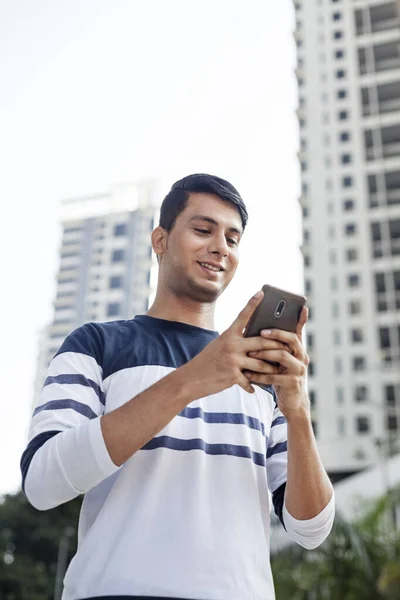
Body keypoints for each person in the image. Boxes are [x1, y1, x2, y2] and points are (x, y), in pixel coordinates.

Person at [21, 173, 334, 600]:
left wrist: (297, 411)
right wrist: (190, 380)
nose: (221, 246)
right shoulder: (96, 344)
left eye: (233, 238)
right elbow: (42, 483)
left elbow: (312, 530)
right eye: (203, 230)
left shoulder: (265, 380)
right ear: (160, 240)